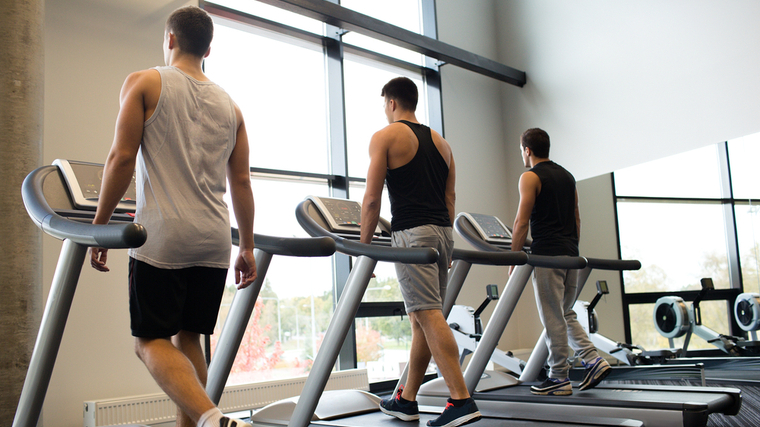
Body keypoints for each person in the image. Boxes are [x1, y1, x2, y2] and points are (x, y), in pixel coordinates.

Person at [89, 6, 256, 427]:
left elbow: (121, 157)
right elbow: (242, 183)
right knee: (189, 340)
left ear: (170, 39)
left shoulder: (144, 81)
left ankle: (212, 417)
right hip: (214, 240)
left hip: (164, 237)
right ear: (209, 50)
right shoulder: (232, 107)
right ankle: (205, 421)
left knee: (149, 342)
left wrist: (99, 228)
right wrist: (248, 246)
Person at [360, 77, 481, 427]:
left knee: (428, 315)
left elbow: (371, 199)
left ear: (392, 103)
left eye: (385, 105)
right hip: (442, 233)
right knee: (421, 320)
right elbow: (450, 199)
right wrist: (448, 243)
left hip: (412, 235)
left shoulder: (385, 137)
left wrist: (363, 251)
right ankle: (406, 399)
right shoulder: (442, 144)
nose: (385, 111)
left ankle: (460, 399)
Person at [509, 128, 610, 396]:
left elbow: (521, 222)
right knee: (565, 313)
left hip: (547, 255)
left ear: (527, 150)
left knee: (553, 317)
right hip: (571, 254)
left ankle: (558, 377)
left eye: (522, 150)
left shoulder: (529, 177)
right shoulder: (567, 176)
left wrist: (514, 258)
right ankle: (593, 359)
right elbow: (577, 218)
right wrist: (573, 250)